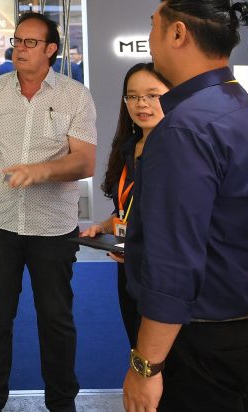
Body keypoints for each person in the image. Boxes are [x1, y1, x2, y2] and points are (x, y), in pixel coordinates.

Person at [123, 0, 248, 412]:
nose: (151, 39)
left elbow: (173, 263)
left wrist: (146, 366)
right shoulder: (240, 107)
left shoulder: (183, 128)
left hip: (202, 343)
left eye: (154, 26)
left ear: (177, 33)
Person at [0, 11, 97, 412]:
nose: (19, 49)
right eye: (17, 41)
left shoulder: (75, 96)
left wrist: (42, 171)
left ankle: (62, 401)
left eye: (30, 42)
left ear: (51, 49)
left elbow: (85, 161)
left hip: (53, 228)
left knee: (56, 319)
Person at [78, 62, 171, 346]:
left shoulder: (178, 151)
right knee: (136, 342)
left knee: (163, 354)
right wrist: (104, 227)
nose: (141, 103)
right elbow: (127, 209)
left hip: (164, 274)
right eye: (133, 96)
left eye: (152, 95)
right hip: (129, 267)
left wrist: (140, 247)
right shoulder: (128, 148)